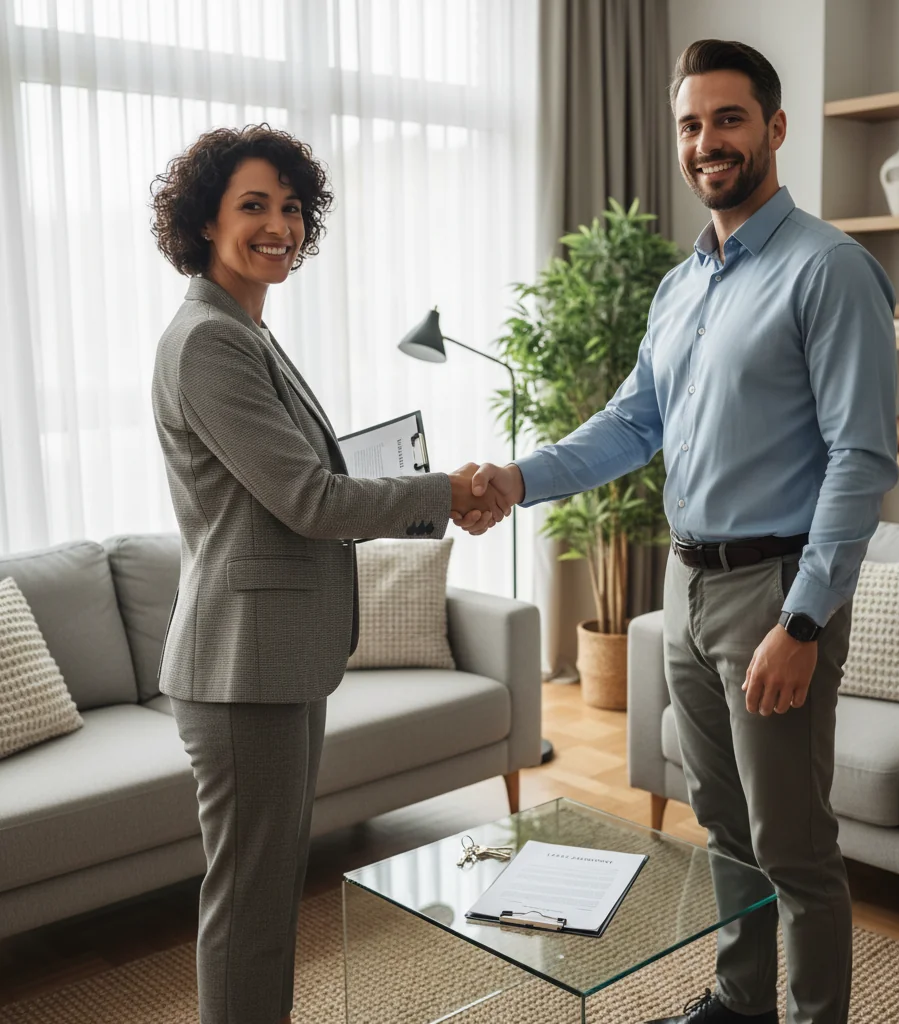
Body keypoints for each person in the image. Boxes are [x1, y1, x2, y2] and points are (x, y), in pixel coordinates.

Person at [458, 39, 898, 1024]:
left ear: (774, 128)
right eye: (691, 124)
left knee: (790, 842)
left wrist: (803, 619)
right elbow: (630, 426)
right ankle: (740, 1005)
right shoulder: (679, 286)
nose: (707, 141)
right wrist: (519, 476)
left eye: (728, 118)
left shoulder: (829, 270)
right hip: (685, 587)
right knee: (724, 826)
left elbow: (859, 460)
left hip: (772, 592)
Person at [149, 124, 509, 1024]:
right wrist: (441, 490)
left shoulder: (246, 331)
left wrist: (415, 489)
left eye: (291, 208)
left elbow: (309, 485)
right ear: (203, 221)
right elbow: (311, 501)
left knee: (266, 899)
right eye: (253, 206)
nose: (279, 225)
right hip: (242, 670)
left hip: (275, 662)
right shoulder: (208, 342)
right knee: (250, 909)